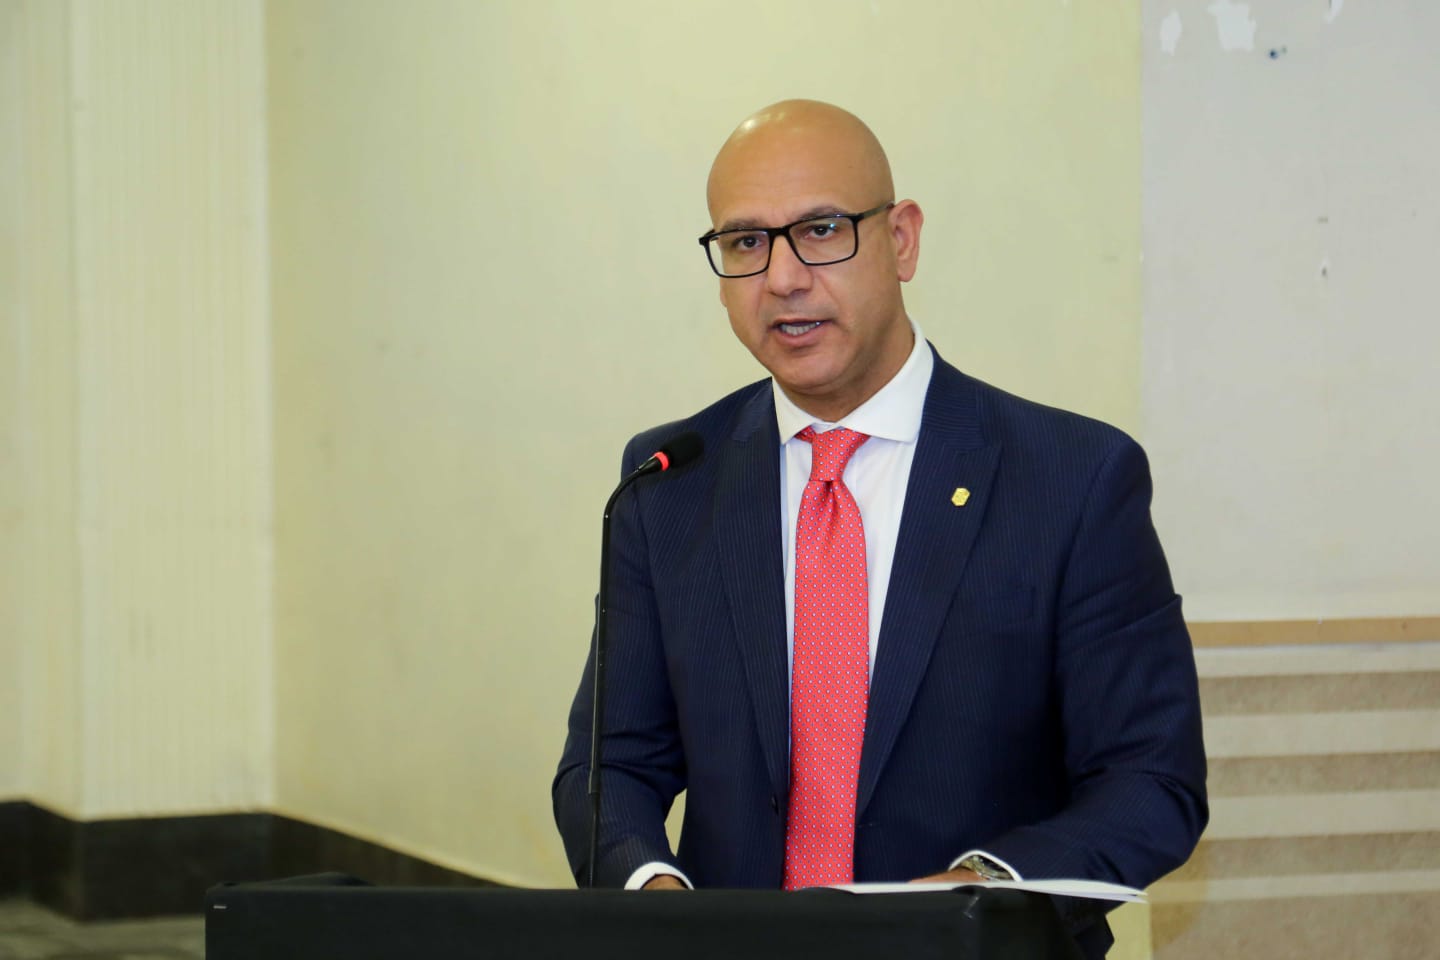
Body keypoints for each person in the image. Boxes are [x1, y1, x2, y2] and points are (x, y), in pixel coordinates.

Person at [553, 100, 1206, 957]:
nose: (783, 278)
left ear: (901, 240)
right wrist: (658, 902)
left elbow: (1150, 781)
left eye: (821, 230)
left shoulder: (1071, 479)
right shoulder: (669, 481)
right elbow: (608, 768)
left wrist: (978, 894)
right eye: (746, 243)